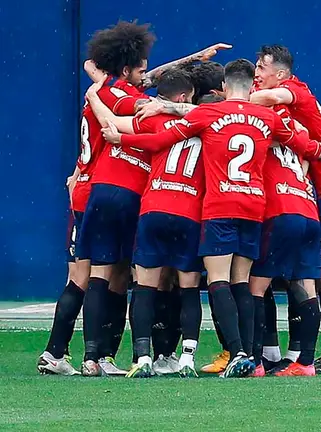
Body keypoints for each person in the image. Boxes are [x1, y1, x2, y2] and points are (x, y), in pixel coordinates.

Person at [102, 58, 321, 378]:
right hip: (255, 207)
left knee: (217, 281)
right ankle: (253, 360)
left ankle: (232, 352)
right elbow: (300, 143)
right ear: (248, 86)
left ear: (225, 87)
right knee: (245, 284)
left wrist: (123, 138)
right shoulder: (267, 115)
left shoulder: (208, 113)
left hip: (219, 206)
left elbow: (161, 140)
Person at [85, 69, 204, 378]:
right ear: (184, 97)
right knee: (188, 288)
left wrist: (94, 96)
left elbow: (112, 124)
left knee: (144, 286)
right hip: (189, 211)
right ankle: (185, 357)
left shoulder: (153, 118)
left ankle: (142, 357)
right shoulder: (207, 123)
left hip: (153, 206)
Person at [251, 45, 321, 374]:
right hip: (308, 193)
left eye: (261, 68)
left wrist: (236, 96)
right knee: (305, 275)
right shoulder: (283, 95)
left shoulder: (294, 91)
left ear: (281, 76)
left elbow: (260, 101)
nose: (257, 74)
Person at [248, 106, 321, 377]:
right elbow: (305, 155)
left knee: (255, 286)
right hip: (308, 209)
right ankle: (306, 362)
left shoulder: (260, 129)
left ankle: (255, 361)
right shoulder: (294, 132)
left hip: (279, 211)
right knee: (305, 285)